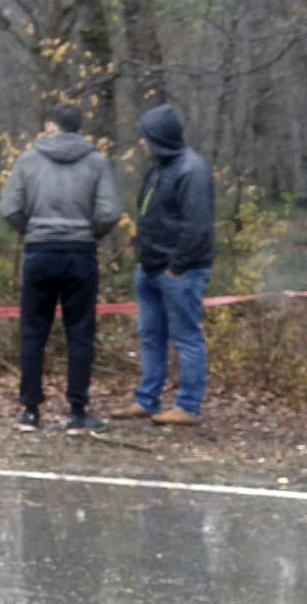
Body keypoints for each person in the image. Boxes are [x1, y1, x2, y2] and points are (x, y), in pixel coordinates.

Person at [0, 103, 122, 435]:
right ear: (79, 127)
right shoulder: (96, 162)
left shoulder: (28, 160)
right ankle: (78, 412)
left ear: (51, 125)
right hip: (79, 253)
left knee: (33, 331)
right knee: (80, 333)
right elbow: (110, 211)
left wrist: (33, 230)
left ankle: (29, 410)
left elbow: (10, 207)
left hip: (39, 252)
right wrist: (88, 233)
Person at [111, 104, 215, 426]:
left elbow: (197, 225)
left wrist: (177, 266)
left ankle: (188, 406)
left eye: (146, 137)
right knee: (150, 335)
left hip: (179, 271)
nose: (141, 143)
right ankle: (147, 399)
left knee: (185, 337)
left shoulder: (191, 170)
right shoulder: (157, 167)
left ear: (160, 138)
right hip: (150, 266)